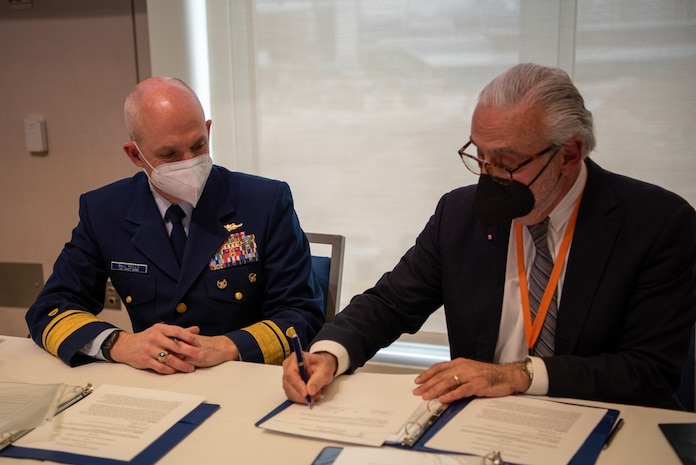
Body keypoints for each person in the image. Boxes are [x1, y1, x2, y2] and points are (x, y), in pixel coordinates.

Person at [282, 63, 696, 409]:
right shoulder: (460, 214)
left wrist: (518, 375)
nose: (488, 175)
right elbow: (390, 303)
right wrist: (329, 354)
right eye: (479, 154)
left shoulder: (657, 223)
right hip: (479, 427)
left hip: (604, 425)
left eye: (506, 161)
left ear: (569, 154)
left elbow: (648, 370)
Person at [26, 76, 325, 374]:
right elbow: (50, 309)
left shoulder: (265, 203)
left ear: (208, 131)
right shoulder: (105, 211)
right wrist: (119, 343)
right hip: (154, 384)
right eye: (169, 155)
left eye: (198, 146)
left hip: (243, 377)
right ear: (135, 154)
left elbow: (302, 313)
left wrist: (228, 346)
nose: (189, 162)